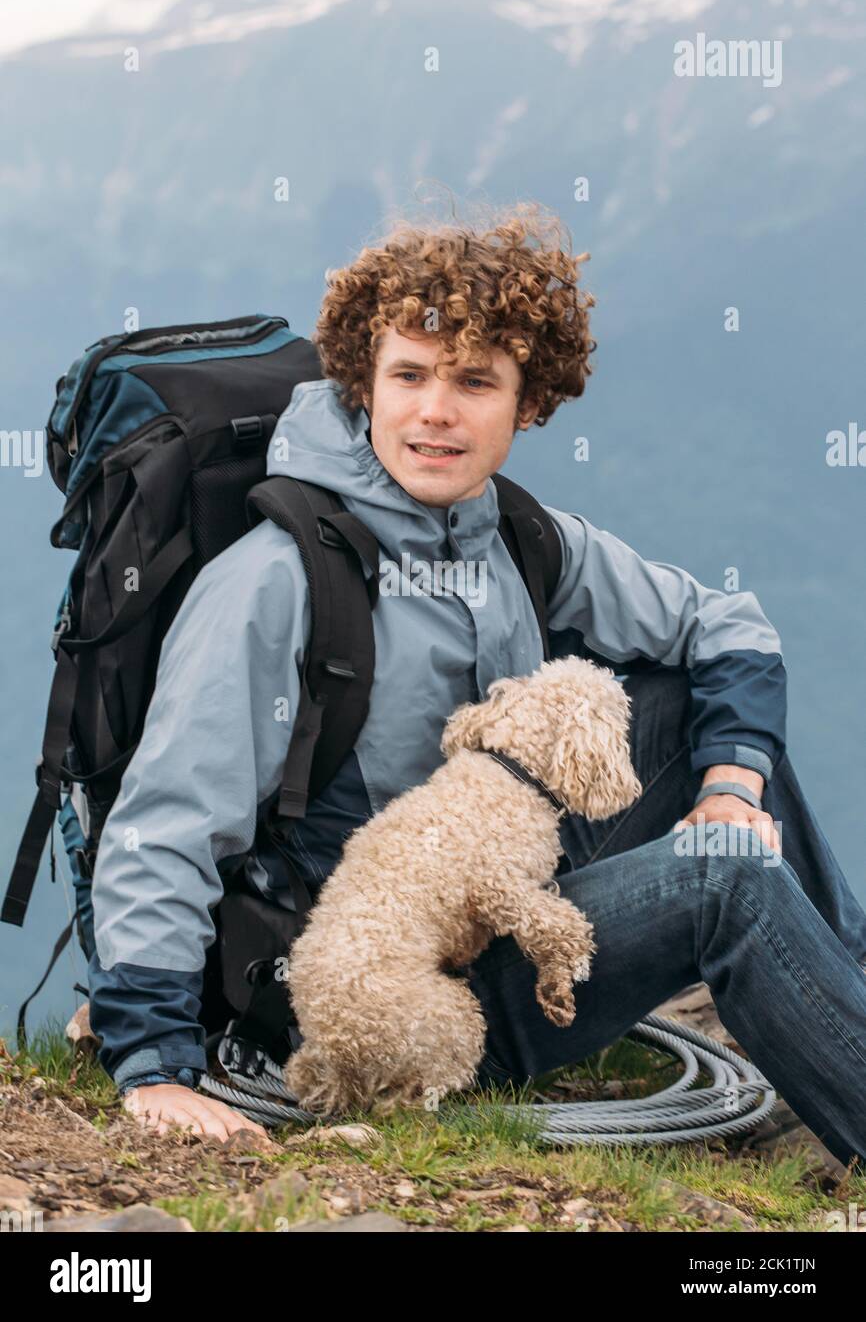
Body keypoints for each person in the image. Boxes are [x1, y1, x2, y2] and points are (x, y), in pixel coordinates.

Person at [87, 204, 866, 1164]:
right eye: (407, 375)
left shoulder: (520, 538)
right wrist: (154, 1065)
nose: (434, 413)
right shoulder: (278, 580)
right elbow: (162, 824)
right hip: (387, 993)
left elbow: (727, 627)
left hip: (501, 886)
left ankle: (849, 994)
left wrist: (729, 782)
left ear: (528, 403)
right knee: (726, 876)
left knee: (701, 728)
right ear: (362, 386)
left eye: (474, 382)